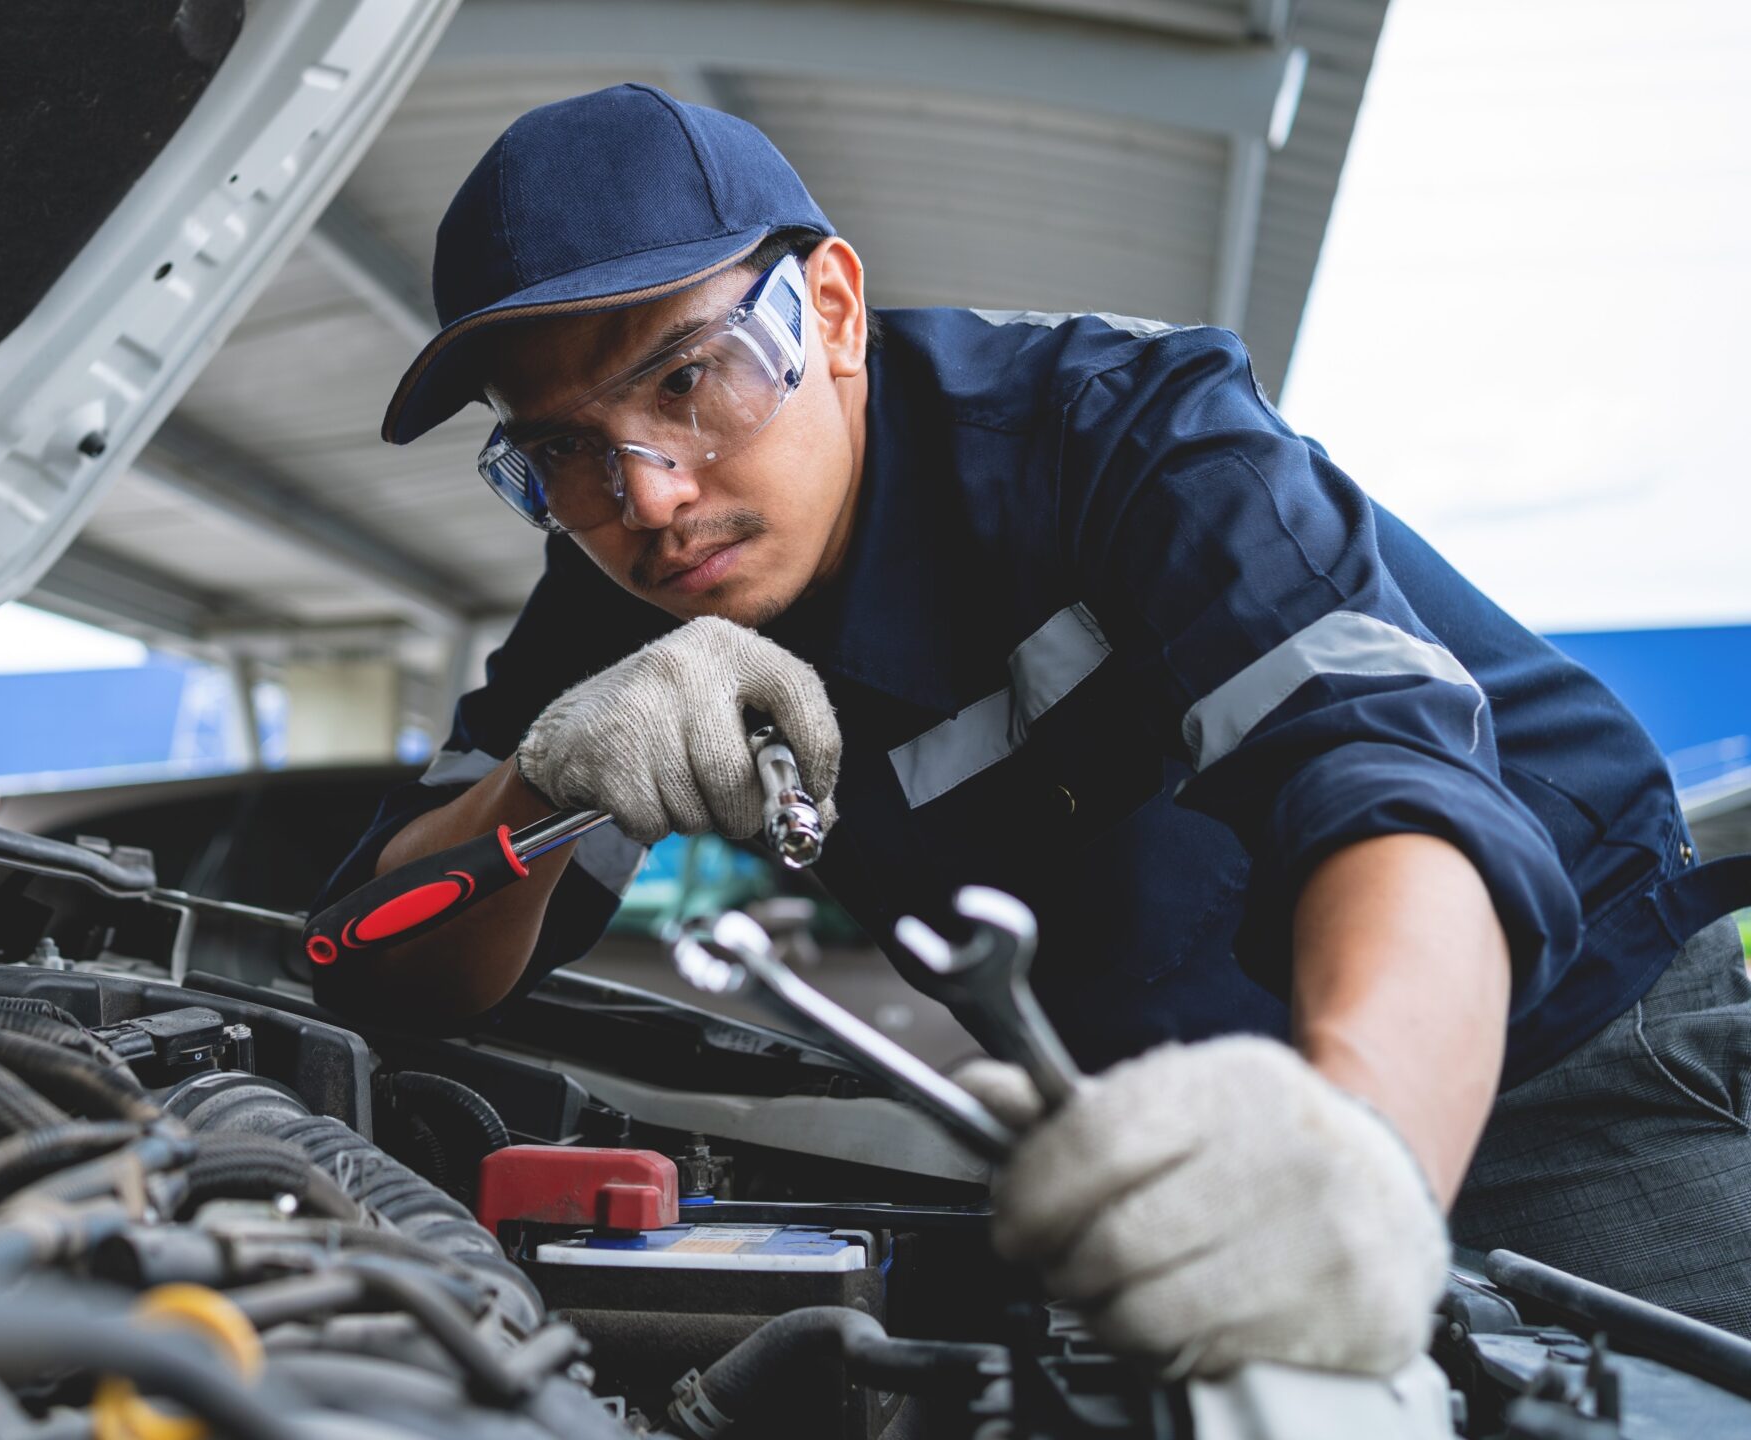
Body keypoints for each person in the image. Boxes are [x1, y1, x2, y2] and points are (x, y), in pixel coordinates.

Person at [310, 83, 1751, 1371]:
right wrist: (538, 787)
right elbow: (373, 964)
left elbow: (1386, 777)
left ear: (830, 309)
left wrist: (1354, 1153)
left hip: (1564, 1059)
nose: (650, 493)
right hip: (1175, 1146)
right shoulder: (615, 601)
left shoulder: (1122, 433)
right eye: (558, 447)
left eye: (687, 380)